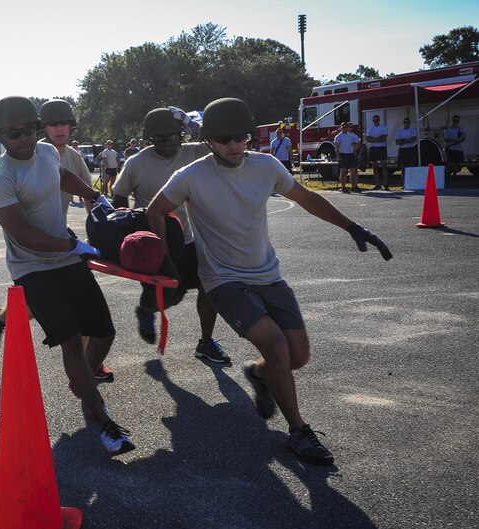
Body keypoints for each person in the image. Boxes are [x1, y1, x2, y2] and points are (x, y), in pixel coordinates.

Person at [146, 97, 393, 465]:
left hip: (268, 274)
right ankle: (299, 432)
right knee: (276, 345)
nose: (233, 144)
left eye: (240, 136)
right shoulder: (191, 176)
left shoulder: (266, 166)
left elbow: (306, 197)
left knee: (297, 356)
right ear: (209, 139)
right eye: (223, 138)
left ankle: (260, 374)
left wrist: (353, 227)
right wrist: (164, 258)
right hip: (223, 279)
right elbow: (156, 210)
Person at [0, 95, 134, 457]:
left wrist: (96, 198)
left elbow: (62, 175)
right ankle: (102, 421)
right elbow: (23, 234)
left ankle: (82, 383)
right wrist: (75, 248)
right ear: (0, 136)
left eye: (31, 129)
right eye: (14, 132)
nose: (24, 137)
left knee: (104, 332)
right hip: (33, 268)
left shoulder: (49, 153)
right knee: (70, 340)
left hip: (66, 256)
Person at [0, 99, 115, 381]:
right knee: (57, 316)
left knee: (60, 311)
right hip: (37, 252)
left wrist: (102, 213)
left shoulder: (63, 155)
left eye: (63, 123)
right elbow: (24, 233)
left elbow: (74, 185)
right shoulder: (5, 173)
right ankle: (83, 369)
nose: (58, 128)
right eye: (52, 124)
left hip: (60, 240)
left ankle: (85, 368)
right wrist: (75, 246)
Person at [112, 107, 230, 363]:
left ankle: (206, 342)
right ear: (149, 138)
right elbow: (119, 195)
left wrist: (196, 126)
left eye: (171, 136)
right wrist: (124, 224)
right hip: (156, 242)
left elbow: (224, 146)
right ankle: (146, 310)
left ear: (182, 135)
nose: (165, 142)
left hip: (195, 237)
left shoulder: (195, 151)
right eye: (158, 138)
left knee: (208, 287)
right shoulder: (137, 163)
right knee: (171, 295)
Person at [333, 122, 361, 193]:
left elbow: (354, 147)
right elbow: (336, 148)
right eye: (343, 127)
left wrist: (355, 155)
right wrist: (338, 157)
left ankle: (354, 186)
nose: (345, 129)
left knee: (353, 171)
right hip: (343, 155)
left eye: (346, 127)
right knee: (343, 172)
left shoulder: (351, 136)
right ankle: (343, 187)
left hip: (350, 155)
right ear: (341, 128)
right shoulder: (338, 137)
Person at [366, 114, 390, 190]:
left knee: (384, 166)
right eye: (374, 120)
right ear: (373, 121)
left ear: (379, 120)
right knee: (374, 167)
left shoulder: (383, 127)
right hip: (373, 149)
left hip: (381, 148)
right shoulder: (370, 128)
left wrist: (373, 139)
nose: (375, 121)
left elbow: (383, 138)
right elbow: (368, 139)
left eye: (377, 120)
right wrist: (378, 138)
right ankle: (377, 184)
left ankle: (386, 184)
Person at [395, 117, 418, 186]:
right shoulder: (399, 131)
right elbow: (397, 142)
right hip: (402, 150)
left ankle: (411, 182)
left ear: (410, 123)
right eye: (405, 122)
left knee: (411, 166)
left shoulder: (413, 130)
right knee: (403, 167)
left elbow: (412, 140)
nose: (406, 124)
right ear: (403, 123)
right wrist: (407, 140)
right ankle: (404, 183)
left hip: (410, 149)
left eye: (408, 122)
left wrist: (403, 140)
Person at [443, 114, 466, 179]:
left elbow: (464, 139)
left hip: (459, 149)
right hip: (451, 149)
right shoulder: (448, 130)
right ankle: (447, 177)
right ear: (452, 121)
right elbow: (445, 139)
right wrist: (454, 140)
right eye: (454, 120)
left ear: (459, 121)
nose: (456, 122)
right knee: (449, 164)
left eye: (457, 121)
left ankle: (454, 177)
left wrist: (459, 140)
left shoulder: (462, 129)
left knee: (457, 164)